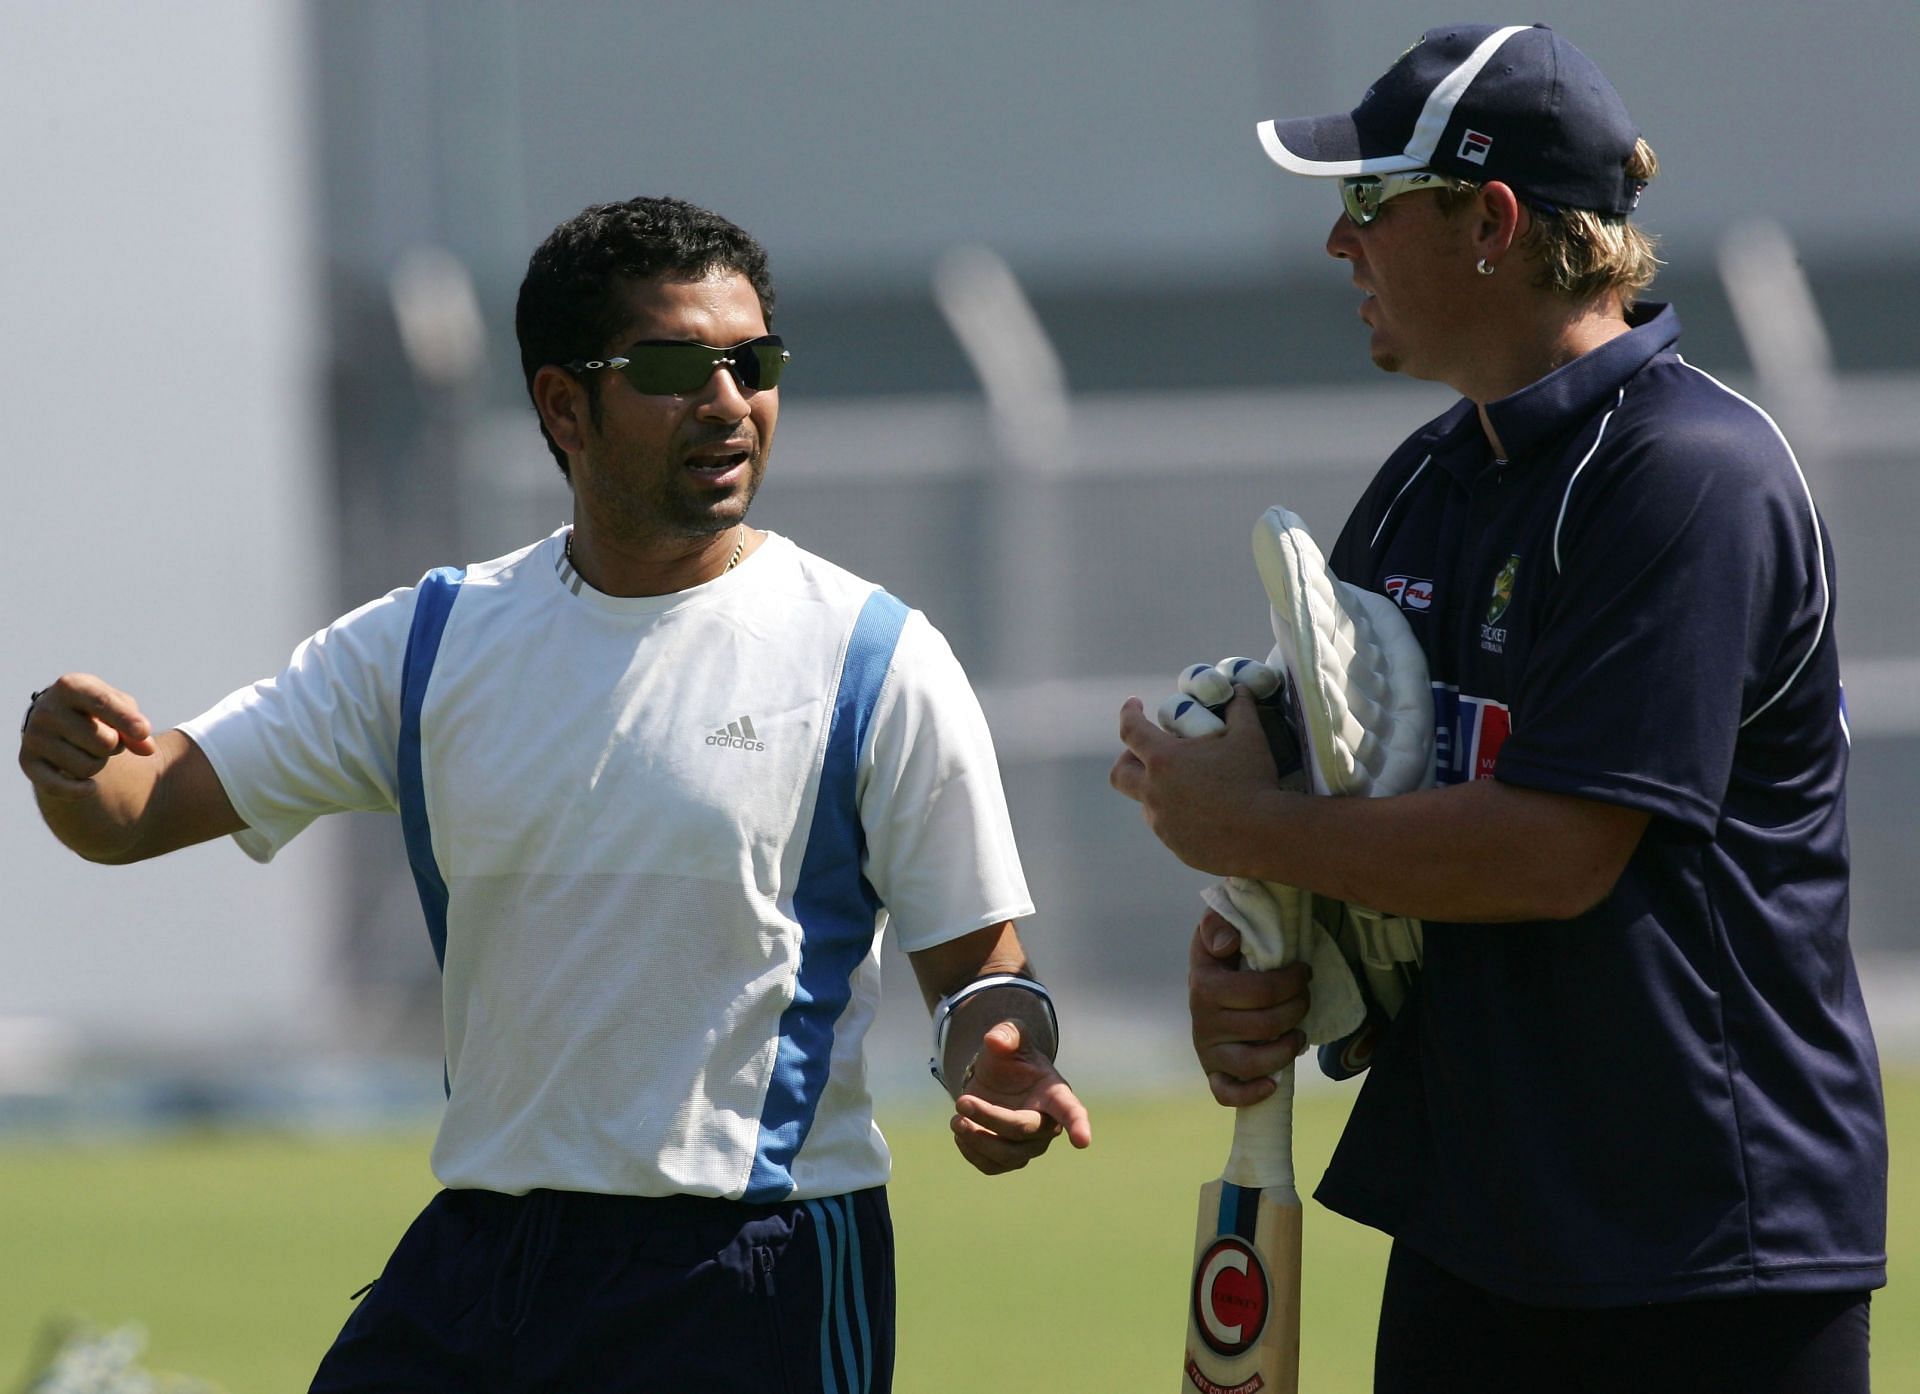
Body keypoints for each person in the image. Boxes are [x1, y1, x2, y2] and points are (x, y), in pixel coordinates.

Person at [19, 195, 1089, 1393]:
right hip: (482, 1261)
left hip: (748, 1272)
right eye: (680, 365)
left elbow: (982, 969)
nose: (730, 399)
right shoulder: (429, 641)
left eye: (754, 362)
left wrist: (1001, 1055)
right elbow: (138, 807)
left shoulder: (873, 654)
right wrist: (70, 760)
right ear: (561, 405)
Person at [1110, 25, 1884, 1394]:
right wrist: (1254, 960)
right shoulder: (1427, 478)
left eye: (1367, 203)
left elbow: (1554, 852)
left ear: (1493, 219)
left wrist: (1253, 826)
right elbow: (1343, 806)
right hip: (1477, 1232)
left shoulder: (1689, 473)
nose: (1339, 247)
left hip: (1704, 1249)